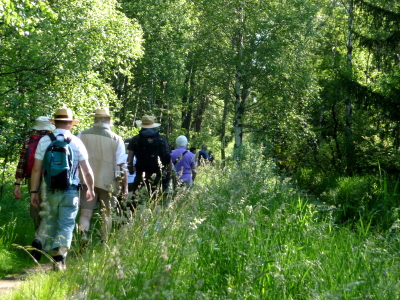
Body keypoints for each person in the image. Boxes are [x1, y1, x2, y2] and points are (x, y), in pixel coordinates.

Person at [29, 108, 95, 271]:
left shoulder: (45, 140)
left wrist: (33, 192)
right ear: (70, 124)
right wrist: (91, 189)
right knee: (66, 223)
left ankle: (39, 240)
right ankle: (59, 258)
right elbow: (86, 170)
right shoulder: (76, 141)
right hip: (71, 189)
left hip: (50, 188)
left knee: (50, 219)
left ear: (55, 122)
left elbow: (36, 169)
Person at [78, 108, 128, 243]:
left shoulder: (82, 135)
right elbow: (121, 166)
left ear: (95, 119)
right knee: (106, 215)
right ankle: (103, 243)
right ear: (109, 120)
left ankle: (83, 237)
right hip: (108, 182)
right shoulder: (117, 139)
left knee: (85, 214)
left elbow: (76, 158)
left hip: (86, 181)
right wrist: (125, 187)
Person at [14, 116, 55, 261]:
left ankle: (37, 240)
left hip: (32, 178)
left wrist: (17, 185)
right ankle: (43, 241)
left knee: (36, 207)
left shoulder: (29, 141)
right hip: (50, 177)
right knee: (49, 209)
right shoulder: (53, 139)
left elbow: (22, 164)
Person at [127, 115, 172, 209]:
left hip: (141, 176)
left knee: (137, 203)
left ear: (142, 126)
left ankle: (138, 221)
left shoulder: (135, 140)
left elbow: (129, 159)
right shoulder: (162, 139)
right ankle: (156, 222)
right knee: (157, 203)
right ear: (154, 125)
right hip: (159, 176)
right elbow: (168, 159)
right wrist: (168, 175)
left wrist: (131, 170)